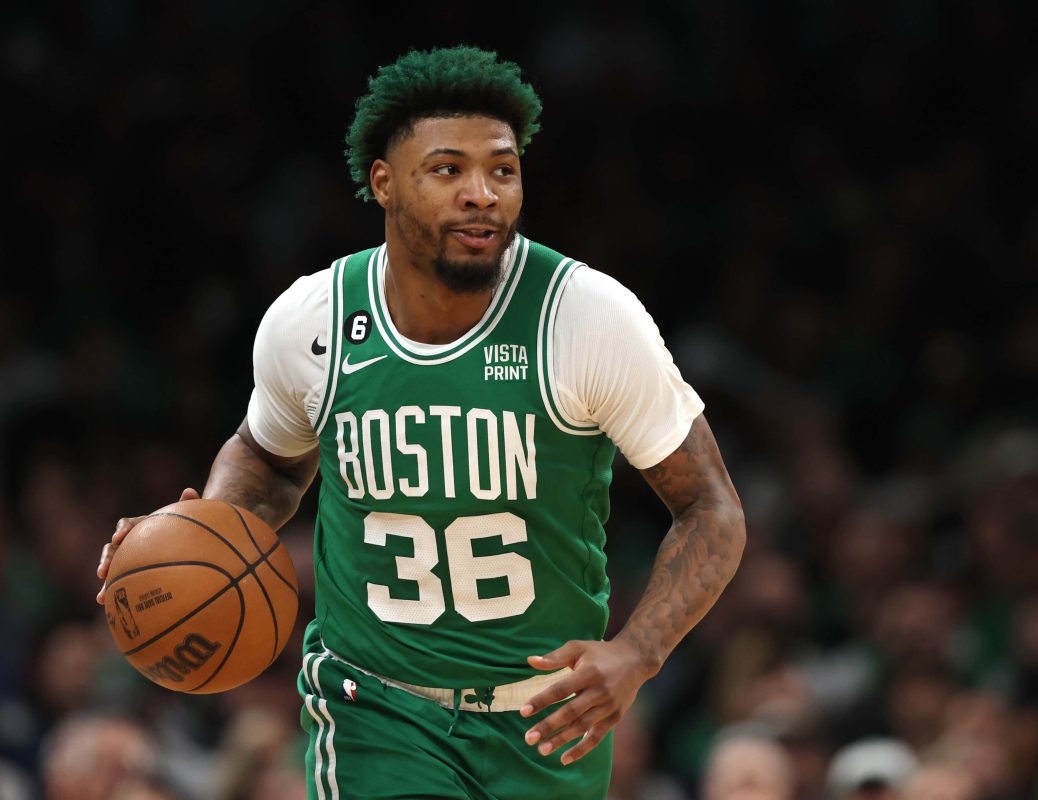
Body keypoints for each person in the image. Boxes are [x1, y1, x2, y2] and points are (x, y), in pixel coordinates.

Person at [96, 45, 745, 800]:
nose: (482, 193)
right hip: (375, 705)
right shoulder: (314, 322)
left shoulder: (586, 318)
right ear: (384, 183)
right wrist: (193, 532)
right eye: (447, 170)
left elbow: (712, 507)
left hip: (545, 723)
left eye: (502, 170)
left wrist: (638, 652)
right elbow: (268, 461)